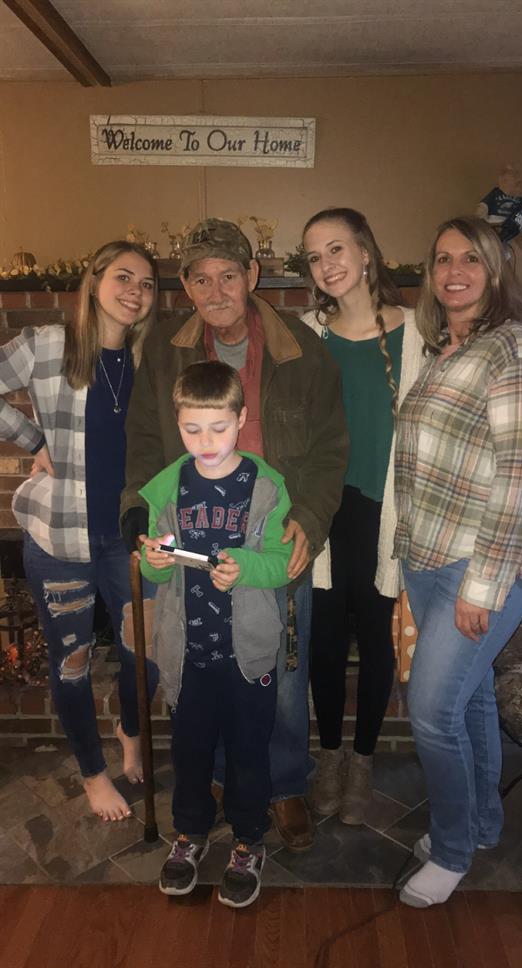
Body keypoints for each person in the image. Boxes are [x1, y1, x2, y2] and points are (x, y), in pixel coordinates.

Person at [120, 217, 348, 851]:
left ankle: (283, 783)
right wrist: (136, 506)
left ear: (251, 275)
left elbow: (331, 450)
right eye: (200, 279)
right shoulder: (164, 350)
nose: (215, 290)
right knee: (201, 664)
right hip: (191, 537)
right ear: (185, 286)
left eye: (228, 275)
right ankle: (222, 779)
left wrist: (310, 519)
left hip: (274, 538)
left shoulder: (302, 351)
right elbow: (143, 438)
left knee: (278, 670)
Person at [394, 216, 522, 907]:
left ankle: (451, 849)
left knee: (431, 712)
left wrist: (482, 587)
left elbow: (520, 478)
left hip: (480, 564)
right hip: (428, 556)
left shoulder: (514, 349)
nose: (453, 271)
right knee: (472, 696)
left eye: (469, 259)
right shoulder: (445, 351)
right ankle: (482, 823)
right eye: (441, 259)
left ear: (494, 270)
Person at [0, 240, 160, 821]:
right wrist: (32, 439)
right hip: (60, 541)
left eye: (146, 284)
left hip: (132, 538)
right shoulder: (46, 344)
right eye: (123, 277)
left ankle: (130, 729)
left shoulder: (150, 359)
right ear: (94, 280)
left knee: (151, 654)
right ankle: (93, 774)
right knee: (72, 663)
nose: (135, 292)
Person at [140, 360, 292, 908]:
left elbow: (282, 563)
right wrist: (154, 559)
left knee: (250, 753)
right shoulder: (168, 488)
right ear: (177, 422)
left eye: (219, 428)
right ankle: (189, 832)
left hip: (247, 654)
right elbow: (153, 566)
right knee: (189, 752)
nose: (206, 442)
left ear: (241, 418)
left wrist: (245, 568)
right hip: (188, 655)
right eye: (192, 429)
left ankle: (249, 839)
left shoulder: (266, 488)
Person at [301, 207, 423, 824]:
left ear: (366, 252)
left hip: (388, 512)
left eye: (336, 248)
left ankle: (365, 758)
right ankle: (329, 755)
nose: (326, 265)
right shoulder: (305, 334)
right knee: (324, 640)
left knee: (377, 639)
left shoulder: (419, 332)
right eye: (314, 256)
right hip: (325, 514)